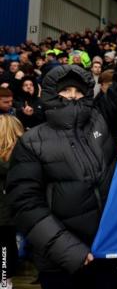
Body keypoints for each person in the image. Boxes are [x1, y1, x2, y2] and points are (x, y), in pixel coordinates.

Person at [6, 11, 117, 289]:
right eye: (66, 91)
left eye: (78, 91)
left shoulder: (99, 118)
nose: (73, 96)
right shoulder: (32, 141)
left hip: (106, 252)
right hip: (62, 264)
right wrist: (71, 252)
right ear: (52, 94)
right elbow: (26, 206)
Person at [0, 115, 24, 289]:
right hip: (8, 212)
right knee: (6, 247)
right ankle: (5, 281)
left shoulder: (14, 156)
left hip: (6, 212)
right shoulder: (19, 155)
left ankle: (4, 281)